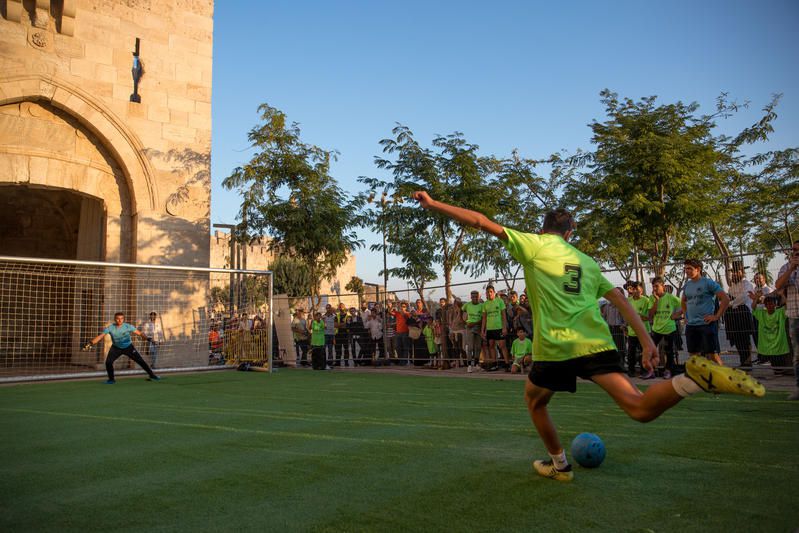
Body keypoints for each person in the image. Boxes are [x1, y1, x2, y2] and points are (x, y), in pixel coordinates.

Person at [413, 190, 764, 482]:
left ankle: (560, 464)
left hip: (555, 347)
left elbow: (480, 221)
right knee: (639, 408)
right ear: (570, 233)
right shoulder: (588, 262)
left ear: (544, 229)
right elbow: (620, 299)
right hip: (595, 343)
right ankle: (691, 381)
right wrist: (644, 341)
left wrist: (433, 204)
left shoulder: (534, 245)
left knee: (535, 401)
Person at [84, 312, 160, 384]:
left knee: (141, 361)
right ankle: (111, 379)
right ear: (115, 319)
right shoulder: (110, 328)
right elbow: (101, 336)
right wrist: (90, 343)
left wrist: (147, 339)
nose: (120, 320)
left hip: (129, 347)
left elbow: (139, 333)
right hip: (116, 348)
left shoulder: (128, 326)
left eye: (121, 318)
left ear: (123, 319)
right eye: (118, 318)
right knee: (108, 362)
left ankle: (152, 375)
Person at [681, 259, 729, 366]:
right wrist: (685, 315)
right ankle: (699, 380)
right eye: (685, 269)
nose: (686, 271)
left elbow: (725, 299)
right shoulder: (687, 285)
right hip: (691, 325)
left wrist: (716, 316)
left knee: (712, 356)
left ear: (698, 269)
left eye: (689, 268)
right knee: (694, 356)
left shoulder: (708, 283)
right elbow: (683, 301)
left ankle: (724, 378)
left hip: (706, 325)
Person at [774, 241, 799, 400]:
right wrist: (791, 268)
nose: (796, 253)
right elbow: (778, 286)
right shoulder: (786, 268)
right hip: (794, 316)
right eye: (794, 250)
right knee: (797, 356)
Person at [647, 277, 683, 379]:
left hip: (669, 329)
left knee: (669, 351)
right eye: (653, 286)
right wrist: (656, 301)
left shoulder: (671, 297)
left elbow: (685, 304)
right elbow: (650, 314)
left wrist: (677, 315)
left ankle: (668, 371)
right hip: (656, 329)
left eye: (656, 286)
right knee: (651, 350)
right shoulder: (652, 298)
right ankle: (651, 371)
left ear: (663, 286)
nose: (654, 289)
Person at [724, 260, 756, 367]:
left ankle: (747, 361)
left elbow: (744, 297)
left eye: (736, 272)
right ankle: (743, 361)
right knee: (737, 338)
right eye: (733, 272)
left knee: (744, 338)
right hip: (733, 315)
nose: (734, 274)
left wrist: (731, 303)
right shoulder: (732, 286)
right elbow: (729, 295)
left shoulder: (747, 284)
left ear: (742, 272)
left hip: (743, 313)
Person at [751, 294, 791, 376]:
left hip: (778, 342)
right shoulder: (761, 314)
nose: (769, 306)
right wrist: (756, 299)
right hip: (768, 343)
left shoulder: (780, 312)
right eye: (767, 304)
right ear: (765, 305)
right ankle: (778, 371)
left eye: (771, 304)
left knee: (780, 358)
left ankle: (780, 371)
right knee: (772, 357)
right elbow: (753, 307)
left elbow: (787, 305)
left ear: (775, 304)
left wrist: (781, 294)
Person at [625, 281, 652, 378]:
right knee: (631, 352)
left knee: (644, 353)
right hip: (632, 332)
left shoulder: (646, 300)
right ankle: (631, 370)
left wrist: (639, 317)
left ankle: (644, 370)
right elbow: (626, 314)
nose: (637, 290)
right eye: (635, 289)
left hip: (644, 331)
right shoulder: (628, 301)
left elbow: (649, 317)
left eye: (639, 288)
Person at [482, 285, 510, 371]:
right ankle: (494, 364)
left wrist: (504, 327)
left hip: (499, 328)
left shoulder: (500, 301)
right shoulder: (485, 304)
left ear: (494, 292)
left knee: (502, 346)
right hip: (490, 329)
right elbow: (484, 318)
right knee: (491, 346)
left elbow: (504, 316)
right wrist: (482, 330)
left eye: (491, 291)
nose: (489, 293)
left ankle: (507, 364)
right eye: (487, 292)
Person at [462, 290, 484, 372]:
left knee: (478, 347)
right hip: (469, 327)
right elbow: (462, 312)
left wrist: (474, 323)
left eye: (476, 296)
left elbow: (483, 318)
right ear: (471, 297)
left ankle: (476, 364)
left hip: (478, 326)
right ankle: (469, 365)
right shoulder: (467, 305)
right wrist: (465, 321)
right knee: (470, 347)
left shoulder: (482, 305)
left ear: (479, 297)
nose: (474, 298)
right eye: (473, 296)